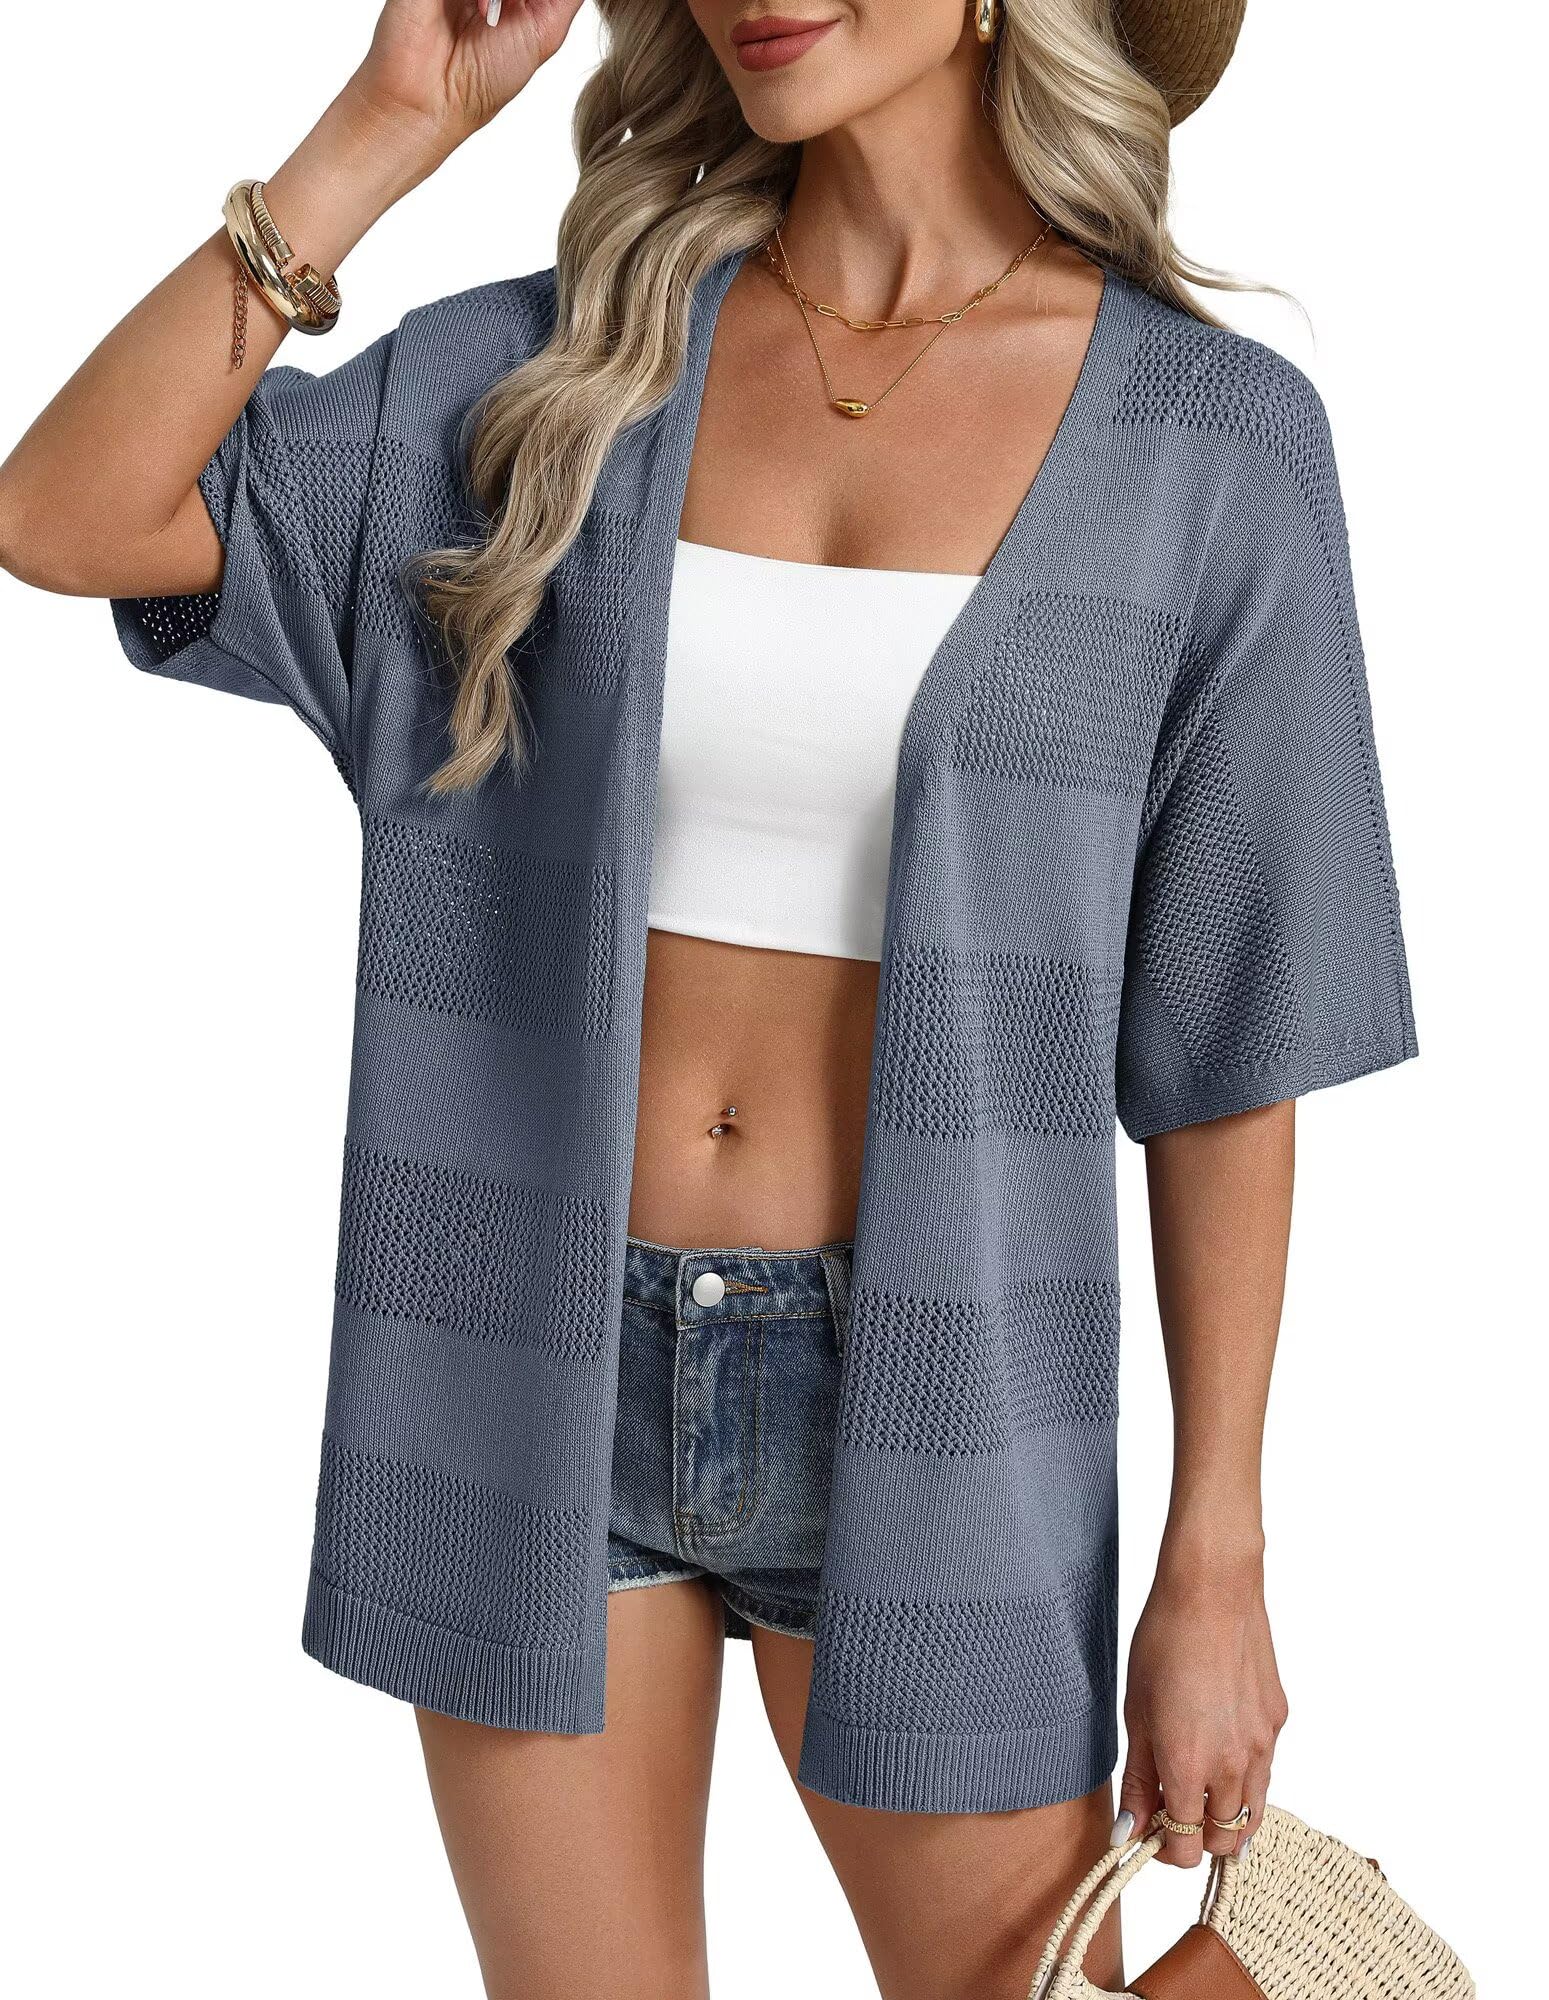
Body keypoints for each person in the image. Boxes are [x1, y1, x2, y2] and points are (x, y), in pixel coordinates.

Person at [0, 2, 1417, 1994]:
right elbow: (64, 513)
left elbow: (1226, 1045)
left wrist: (1216, 1557)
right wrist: (382, 125)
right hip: (527, 1354)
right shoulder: (557, 374)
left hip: (940, 1392)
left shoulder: (1210, 440)